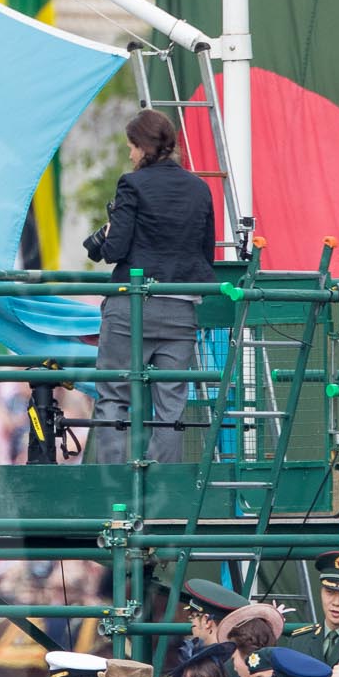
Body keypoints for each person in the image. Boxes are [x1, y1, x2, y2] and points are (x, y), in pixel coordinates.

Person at [83, 108, 215, 464]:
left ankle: (112, 490)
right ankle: (163, 493)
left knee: (113, 396)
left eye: (130, 146)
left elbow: (114, 251)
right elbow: (206, 251)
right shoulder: (200, 188)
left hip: (132, 307)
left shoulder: (132, 184)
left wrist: (106, 234)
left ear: (141, 147)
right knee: (170, 405)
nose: (129, 154)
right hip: (181, 308)